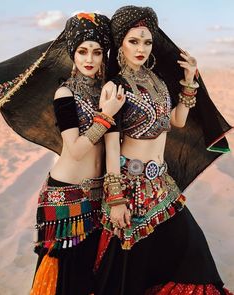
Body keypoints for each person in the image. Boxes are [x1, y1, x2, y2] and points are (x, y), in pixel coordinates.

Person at [94, 6, 233, 295]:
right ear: (120, 41)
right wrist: (116, 197)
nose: (141, 48)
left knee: (194, 253)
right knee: (129, 272)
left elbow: (177, 121)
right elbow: (110, 145)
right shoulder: (114, 87)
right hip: (130, 189)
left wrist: (190, 80)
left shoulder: (156, 81)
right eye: (134, 41)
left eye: (147, 41)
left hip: (162, 186)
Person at [0, 12, 125, 295]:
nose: (89, 59)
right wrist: (105, 115)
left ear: (104, 55)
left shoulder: (108, 91)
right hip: (64, 196)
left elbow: (113, 146)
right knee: (64, 277)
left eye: (96, 51)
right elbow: (77, 149)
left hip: (97, 195)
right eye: (82, 51)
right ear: (73, 54)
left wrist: (116, 194)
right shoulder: (64, 94)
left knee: (88, 274)